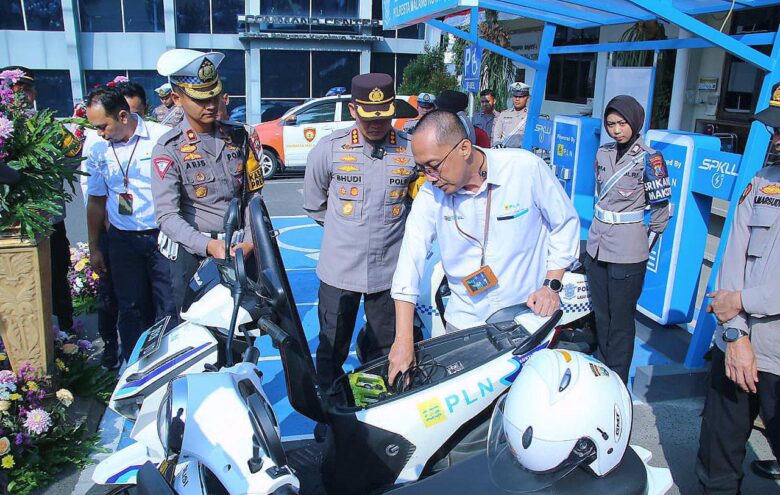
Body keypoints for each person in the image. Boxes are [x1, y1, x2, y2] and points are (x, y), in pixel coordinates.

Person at [388, 110, 580, 383]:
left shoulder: (524, 169)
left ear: (464, 148)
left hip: (526, 320)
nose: (430, 177)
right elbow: (410, 261)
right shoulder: (431, 195)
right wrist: (403, 340)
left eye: (433, 165)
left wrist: (551, 285)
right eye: (422, 169)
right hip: (465, 326)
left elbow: (564, 223)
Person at [303, 73, 416, 389]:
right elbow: (314, 204)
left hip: (389, 272)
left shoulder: (410, 150)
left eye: (383, 116)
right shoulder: (330, 149)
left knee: (384, 349)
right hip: (340, 270)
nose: (376, 125)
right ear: (353, 110)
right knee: (331, 348)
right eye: (368, 117)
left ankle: (380, 405)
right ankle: (330, 404)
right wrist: (348, 232)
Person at [696, 83, 780, 491]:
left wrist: (742, 301)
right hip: (738, 346)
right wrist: (735, 333)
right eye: (775, 129)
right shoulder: (762, 183)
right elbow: (732, 257)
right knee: (717, 459)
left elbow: (737, 295)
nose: (776, 138)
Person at [151, 49, 264, 311]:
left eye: (214, 96)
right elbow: (167, 216)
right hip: (196, 255)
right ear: (177, 99)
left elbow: (252, 197)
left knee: (247, 321)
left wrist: (250, 240)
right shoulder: (168, 148)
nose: (211, 105)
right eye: (200, 99)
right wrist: (209, 246)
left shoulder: (240, 136)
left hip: (242, 249)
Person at [84, 86, 176, 363]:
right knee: (131, 306)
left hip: (162, 237)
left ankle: (168, 362)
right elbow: (96, 200)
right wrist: (94, 247)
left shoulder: (161, 138)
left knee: (168, 305)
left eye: (103, 126)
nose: (100, 133)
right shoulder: (98, 149)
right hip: (122, 239)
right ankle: (134, 366)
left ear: (123, 116)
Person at [585, 95, 671, 384]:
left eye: (622, 123)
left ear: (634, 122)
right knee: (601, 315)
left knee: (621, 321)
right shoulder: (603, 153)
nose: (616, 130)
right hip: (597, 245)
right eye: (611, 124)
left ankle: (617, 381)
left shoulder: (651, 158)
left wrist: (643, 250)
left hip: (628, 250)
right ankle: (601, 372)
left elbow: (660, 213)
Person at [2, 66, 78, 334]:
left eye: (26, 89)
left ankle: (66, 333)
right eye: (13, 90)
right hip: (9, 226)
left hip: (49, 220)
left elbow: (73, 154)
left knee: (56, 276)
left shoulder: (49, 125)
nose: (20, 95)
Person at [492, 82, 530, 148]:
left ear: (528, 98)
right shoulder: (504, 114)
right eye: (515, 96)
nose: (517, 99)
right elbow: (497, 134)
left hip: (522, 151)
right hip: (505, 150)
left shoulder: (530, 116)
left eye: (520, 97)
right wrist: (497, 144)